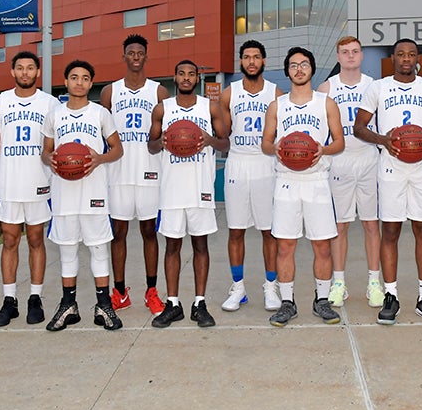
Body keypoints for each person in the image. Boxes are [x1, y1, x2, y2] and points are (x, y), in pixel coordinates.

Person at [354, 38, 422, 326]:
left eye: (411, 54)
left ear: (417, 59)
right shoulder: (378, 87)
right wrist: (383, 139)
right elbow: (359, 127)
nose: (406, 58)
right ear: (393, 59)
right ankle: (391, 295)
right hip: (391, 167)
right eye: (400, 54)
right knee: (391, 232)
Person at [262, 47, 345, 327]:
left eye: (304, 64)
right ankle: (287, 302)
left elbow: (340, 142)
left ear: (312, 69)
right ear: (287, 71)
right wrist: (277, 148)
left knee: (322, 245)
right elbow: (265, 143)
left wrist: (323, 150)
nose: (299, 69)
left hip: (317, 181)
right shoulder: (277, 105)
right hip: (286, 181)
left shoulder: (326, 103)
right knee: (285, 245)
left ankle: (322, 300)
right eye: (294, 65)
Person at [41, 60, 124, 332]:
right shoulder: (54, 114)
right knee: (67, 250)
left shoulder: (100, 113)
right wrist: (51, 159)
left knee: (99, 249)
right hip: (64, 193)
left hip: (94, 192)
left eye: (85, 78)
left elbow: (117, 149)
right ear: (65, 81)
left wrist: (100, 158)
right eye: (74, 77)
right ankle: (69, 306)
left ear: (91, 83)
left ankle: (103, 306)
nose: (79, 82)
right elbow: (46, 152)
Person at [147, 59, 229, 328]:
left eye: (191, 74)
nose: (185, 78)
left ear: (197, 78)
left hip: (200, 188)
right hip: (171, 189)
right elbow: (151, 146)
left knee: (200, 245)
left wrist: (209, 140)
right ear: (175, 77)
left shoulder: (210, 106)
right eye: (181, 73)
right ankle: (173, 304)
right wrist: (165, 142)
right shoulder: (162, 109)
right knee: (172, 245)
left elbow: (225, 141)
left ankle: (199, 303)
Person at [0, 51, 59, 327]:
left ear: (38, 72)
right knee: (9, 241)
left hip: (39, 182)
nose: (25, 73)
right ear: (12, 72)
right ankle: (9, 301)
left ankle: (35, 298)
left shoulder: (50, 103)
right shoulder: (0, 102)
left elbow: (51, 147)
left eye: (30, 68)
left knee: (36, 240)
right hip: (9, 182)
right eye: (20, 68)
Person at [99, 34, 168, 316]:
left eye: (140, 52)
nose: (136, 56)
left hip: (150, 172)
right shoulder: (109, 92)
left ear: (146, 57)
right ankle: (119, 292)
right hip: (118, 173)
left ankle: (151, 292)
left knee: (149, 232)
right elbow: (100, 131)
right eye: (131, 52)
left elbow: (166, 133)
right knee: (119, 233)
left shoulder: (159, 92)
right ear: (124, 56)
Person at [317, 36, 383, 308]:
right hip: (339, 160)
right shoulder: (326, 87)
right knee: (340, 225)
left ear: (362, 56)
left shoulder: (375, 86)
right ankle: (339, 282)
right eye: (345, 52)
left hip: (368, 158)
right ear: (338, 55)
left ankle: (374, 282)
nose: (351, 56)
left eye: (355, 51)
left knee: (371, 223)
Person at [219, 40, 282, 312]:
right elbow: (223, 134)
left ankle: (271, 286)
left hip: (266, 163)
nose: (252, 61)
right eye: (247, 57)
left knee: (269, 231)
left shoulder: (276, 93)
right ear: (241, 62)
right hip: (238, 163)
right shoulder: (228, 94)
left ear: (264, 61)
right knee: (236, 230)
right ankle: (238, 287)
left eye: (257, 57)